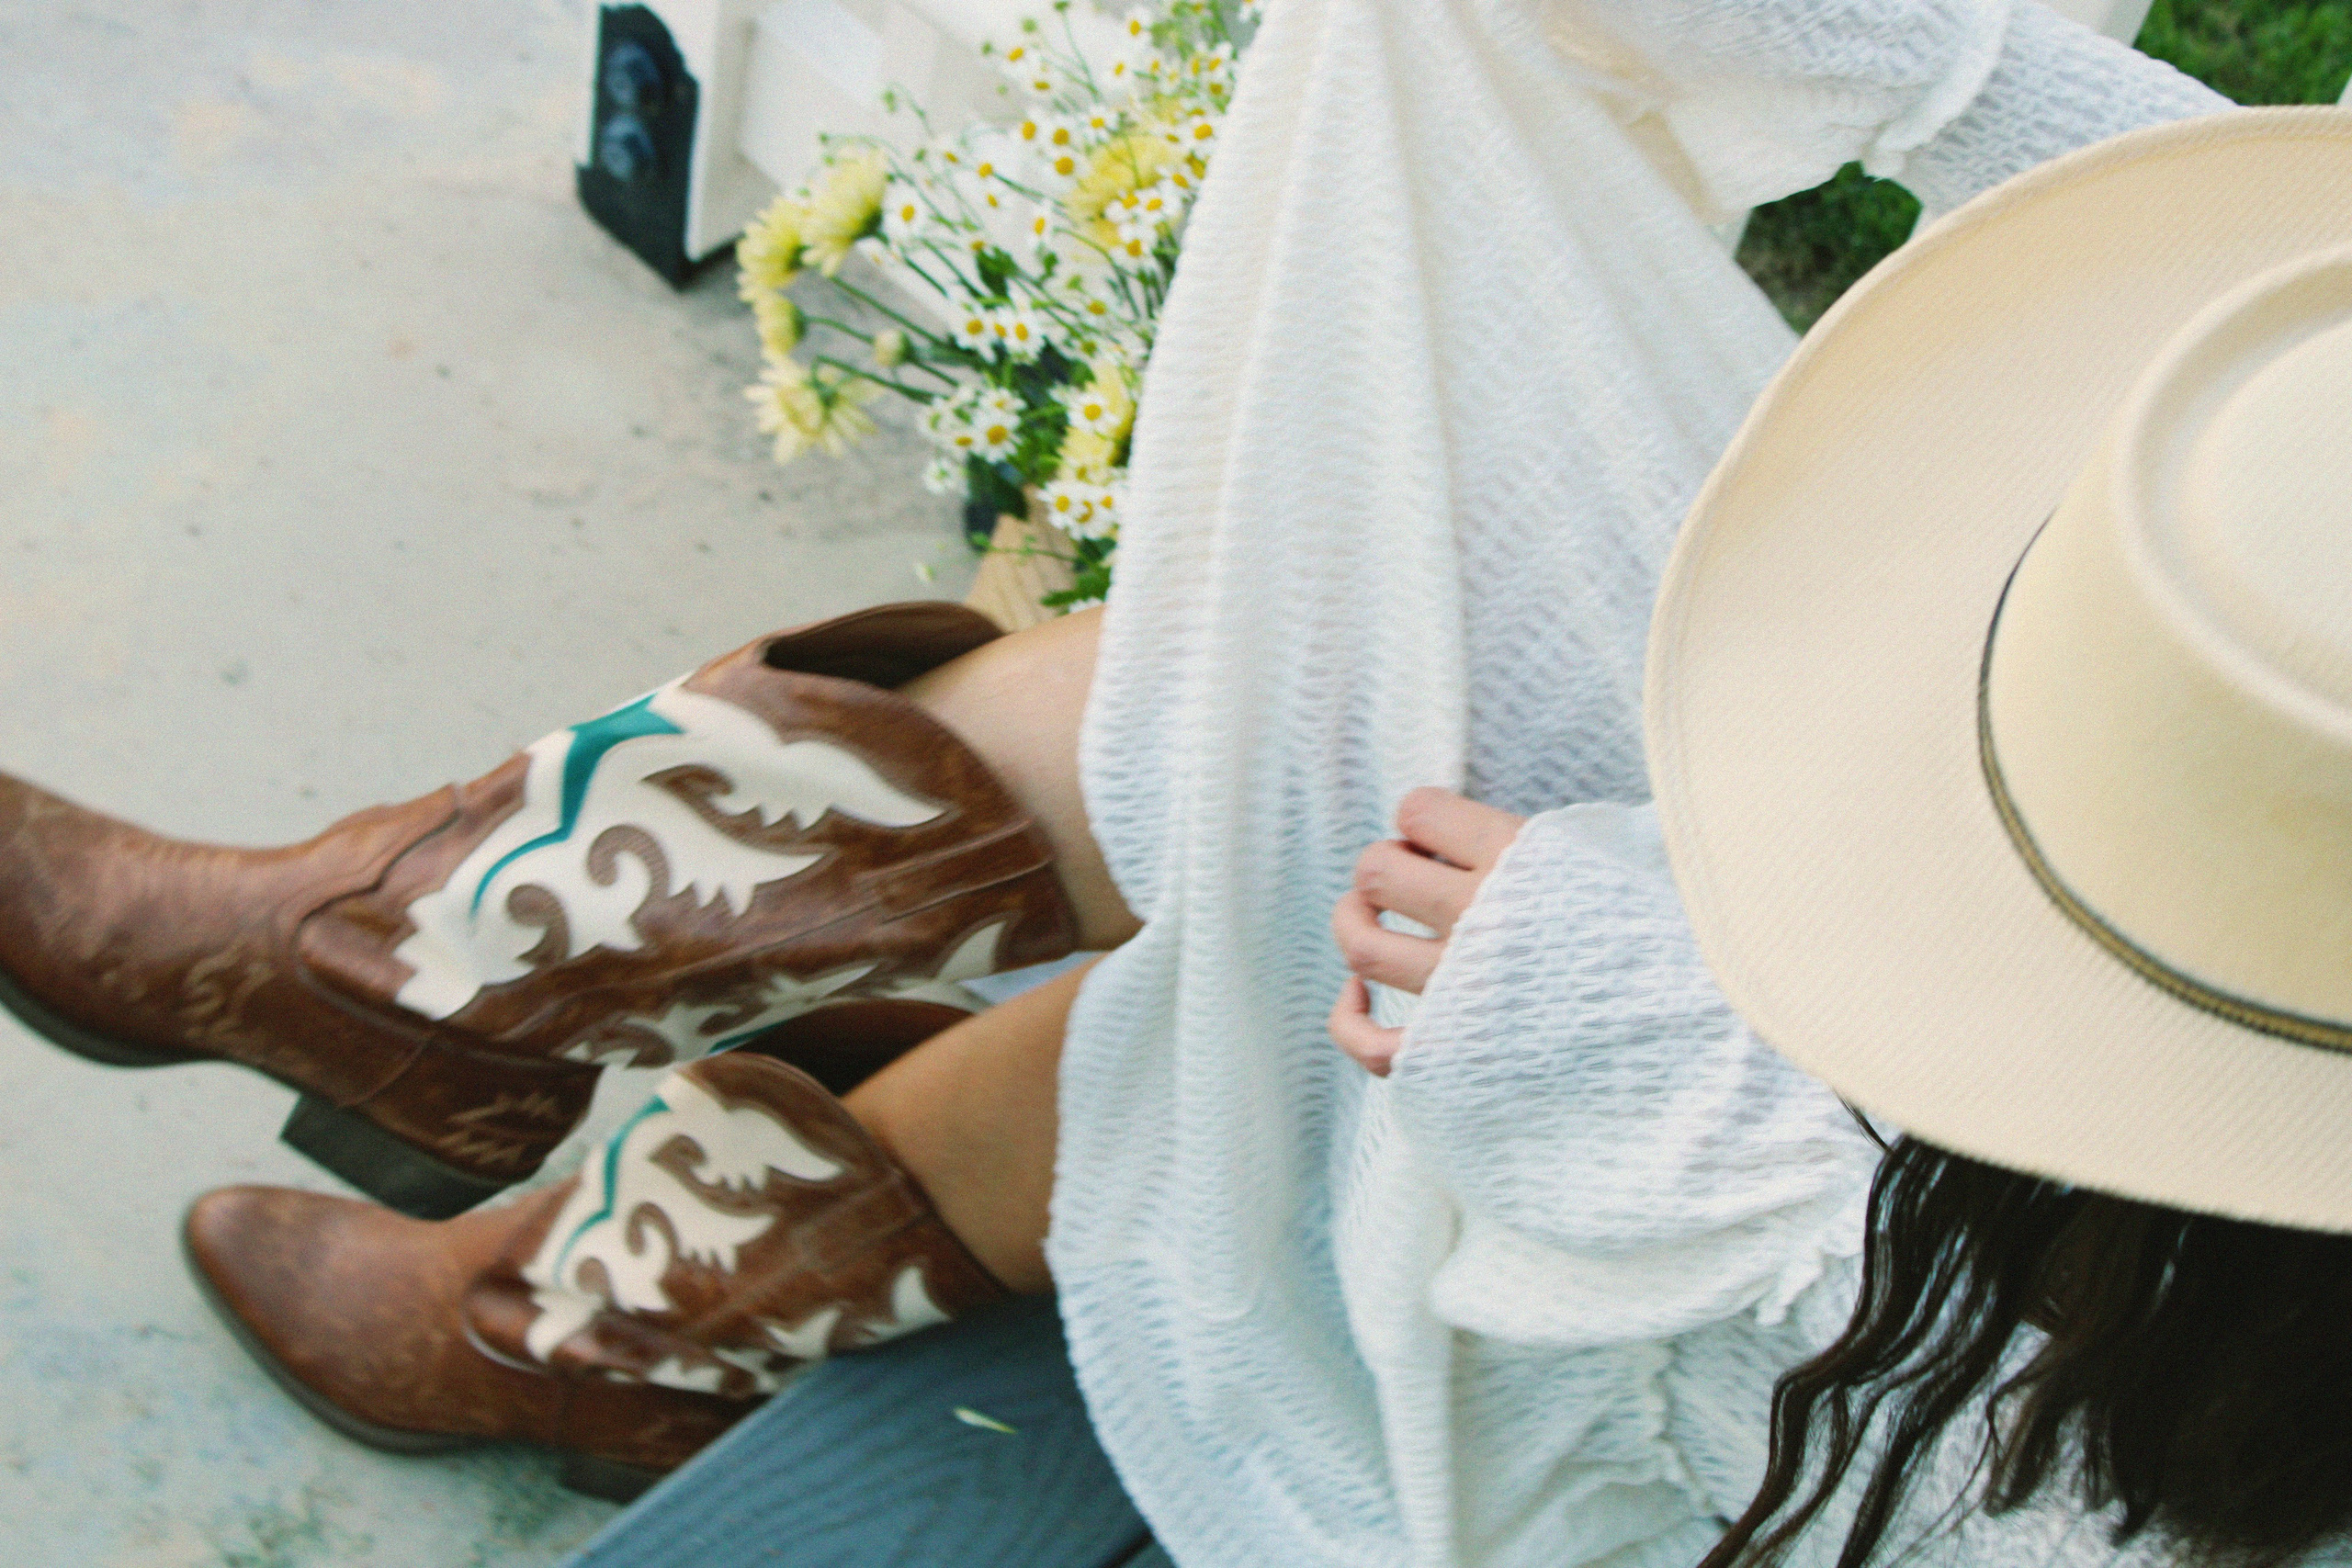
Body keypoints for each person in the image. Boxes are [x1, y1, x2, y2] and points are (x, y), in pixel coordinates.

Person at [0, 1, 2254, 1563]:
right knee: (1292, 667)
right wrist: (1919, 62)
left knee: (1254, 979)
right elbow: (2287, 295)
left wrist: (1643, 1035)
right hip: (2078, 836)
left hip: (2045, 1340)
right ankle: (442, 1001)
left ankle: (566, 1256)